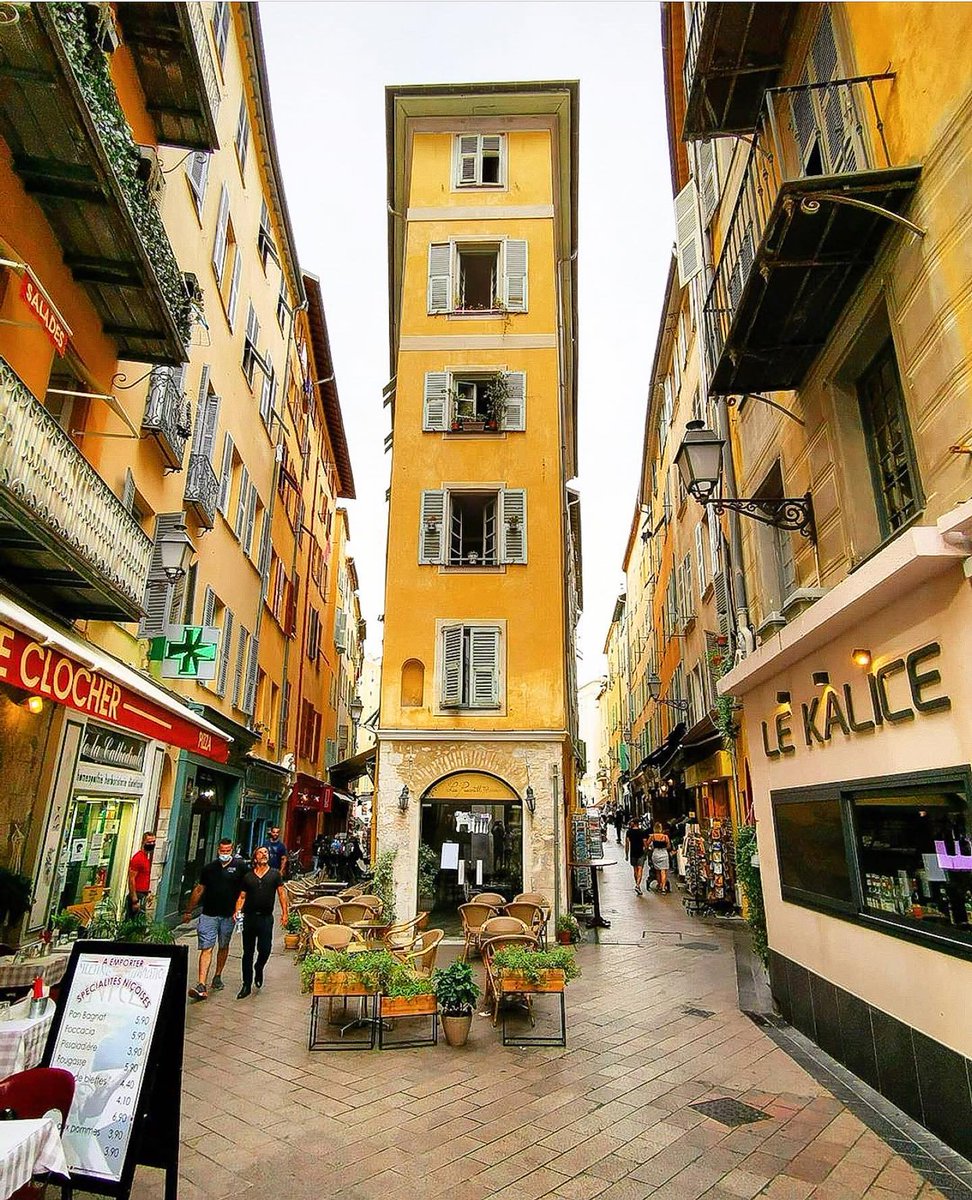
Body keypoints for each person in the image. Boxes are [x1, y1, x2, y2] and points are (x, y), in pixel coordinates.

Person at [183, 837, 247, 1001]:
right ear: (218, 850)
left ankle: (217, 975)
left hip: (228, 915)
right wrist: (189, 910)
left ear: (231, 850)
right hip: (209, 914)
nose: (225, 853)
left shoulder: (240, 867)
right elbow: (199, 889)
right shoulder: (209, 868)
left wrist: (240, 910)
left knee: (223, 945)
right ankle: (201, 983)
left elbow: (244, 892)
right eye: (222, 851)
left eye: (227, 851)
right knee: (207, 947)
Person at [234, 846, 288, 999]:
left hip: (266, 918)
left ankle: (259, 967)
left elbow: (282, 894)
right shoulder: (248, 877)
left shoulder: (275, 875)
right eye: (260, 853)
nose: (264, 855)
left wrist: (285, 913)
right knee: (247, 952)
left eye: (266, 853)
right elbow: (242, 897)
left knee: (265, 949)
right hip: (249, 917)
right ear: (255, 858)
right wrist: (237, 911)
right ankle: (246, 984)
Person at [126, 831, 156, 919]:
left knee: (140, 923)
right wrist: (134, 900)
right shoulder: (138, 858)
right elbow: (131, 879)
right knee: (135, 924)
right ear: (143, 842)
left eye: (153, 842)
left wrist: (148, 893)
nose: (152, 844)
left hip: (143, 894)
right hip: (137, 895)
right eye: (149, 842)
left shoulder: (146, 858)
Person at [625, 818, 649, 896]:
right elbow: (645, 843)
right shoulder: (642, 832)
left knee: (635, 869)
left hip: (633, 852)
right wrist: (647, 850)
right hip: (640, 852)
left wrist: (626, 854)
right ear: (638, 824)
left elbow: (627, 844)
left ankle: (637, 884)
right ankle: (638, 885)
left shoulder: (629, 832)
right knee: (640, 869)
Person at [649, 822, 673, 894]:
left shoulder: (652, 836)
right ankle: (663, 888)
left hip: (655, 854)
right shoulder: (665, 837)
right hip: (664, 854)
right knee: (663, 872)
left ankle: (659, 885)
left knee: (657, 871)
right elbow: (669, 846)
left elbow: (647, 845)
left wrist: (652, 848)